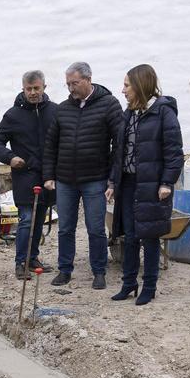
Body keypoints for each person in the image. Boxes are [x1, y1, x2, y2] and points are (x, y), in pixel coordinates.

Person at [43, 62, 124, 290]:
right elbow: (51, 144)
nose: (71, 88)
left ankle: (99, 272)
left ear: (88, 80)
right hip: (65, 179)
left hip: (95, 179)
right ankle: (64, 270)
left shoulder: (109, 105)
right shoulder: (63, 109)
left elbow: (119, 145)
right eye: (68, 84)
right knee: (65, 227)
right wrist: (49, 175)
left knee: (95, 228)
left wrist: (113, 179)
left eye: (75, 83)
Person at [109, 64, 184, 305]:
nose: (123, 90)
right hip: (129, 183)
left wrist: (166, 182)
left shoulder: (163, 113)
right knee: (129, 236)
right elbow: (119, 151)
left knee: (149, 236)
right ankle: (129, 282)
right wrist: (113, 182)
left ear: (140, 85)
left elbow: (174, 152)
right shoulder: (130, 113)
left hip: (152, 185)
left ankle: (149, 287)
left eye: (127, 85)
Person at [0, 70, 58, 280]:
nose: (33, 93)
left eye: (36, 88)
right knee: (27, 219)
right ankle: (20, 262)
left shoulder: (55, 111)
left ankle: (32, 258)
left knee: (39, 220)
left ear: (44, 87)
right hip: (24, 176)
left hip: (47, 176)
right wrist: (10, 158)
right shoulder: (13, 115)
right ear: (23, 89)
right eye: (29, 89)